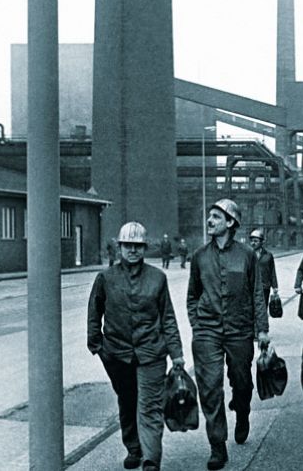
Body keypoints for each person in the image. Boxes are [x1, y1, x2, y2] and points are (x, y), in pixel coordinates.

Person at [87, 221, 185, 471]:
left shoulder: (157, 278)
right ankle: (134, 447)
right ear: (120, 248)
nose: (133, 250)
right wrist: (97, 346)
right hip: (116, 354)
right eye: (128, 246)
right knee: (127, 400)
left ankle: (151, 458)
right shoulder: (106, 278)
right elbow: (94, 312)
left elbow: (168, 318)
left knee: (150, 405)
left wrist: (177, 354)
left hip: (151, 352)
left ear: (144, 248)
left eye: (138, 246)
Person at [187, 199, 270, 470]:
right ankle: (217, 445)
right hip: (207, 331)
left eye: (216, 217)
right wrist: (196, 324)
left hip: (239, 330)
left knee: (242, 381)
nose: (209, 221)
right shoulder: (199, 256)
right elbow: (192, 295)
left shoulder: (247, 255)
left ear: (231, 223)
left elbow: (257, 292)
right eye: (209, 216)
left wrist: (263, 329)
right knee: (210, 388)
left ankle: (243, 411)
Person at [249, 228, 279, 308]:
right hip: (250, 287)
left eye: (256, 241)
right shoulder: (247, 255)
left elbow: (272, 271)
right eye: (251, 241)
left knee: (263, 308)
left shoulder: (268, 255)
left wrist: (275, 286)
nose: (253, 243)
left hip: (264, 287)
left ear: (262, 242)